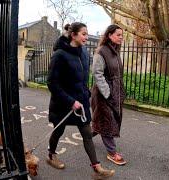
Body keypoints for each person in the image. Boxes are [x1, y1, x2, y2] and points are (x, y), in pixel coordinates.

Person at [47, 22, 115, 179]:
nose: (86, 37)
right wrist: (70, 101)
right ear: (73, 35)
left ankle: (97, 168)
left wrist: (86, 92)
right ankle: (51, 155)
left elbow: (82, 77)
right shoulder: (59, 55)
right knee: (58, 131)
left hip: (81, 103)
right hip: (63, 103)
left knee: (87, 134)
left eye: (87, 33)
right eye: (83, 34)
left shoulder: (84, 52)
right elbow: (52, 83)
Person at [91, 25, 127, 166]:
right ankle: (112, 152)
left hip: (115, 93)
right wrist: (107, 93)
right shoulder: (101, 51)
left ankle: (87, 135)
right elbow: (97, 74)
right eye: (118, 35)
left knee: (100, 122)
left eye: (121, 35)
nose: (121, 37)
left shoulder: (115, 51)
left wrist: (120, 92)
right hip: (103, 95)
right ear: (110, 35)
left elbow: (118, 75)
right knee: (107, 121)